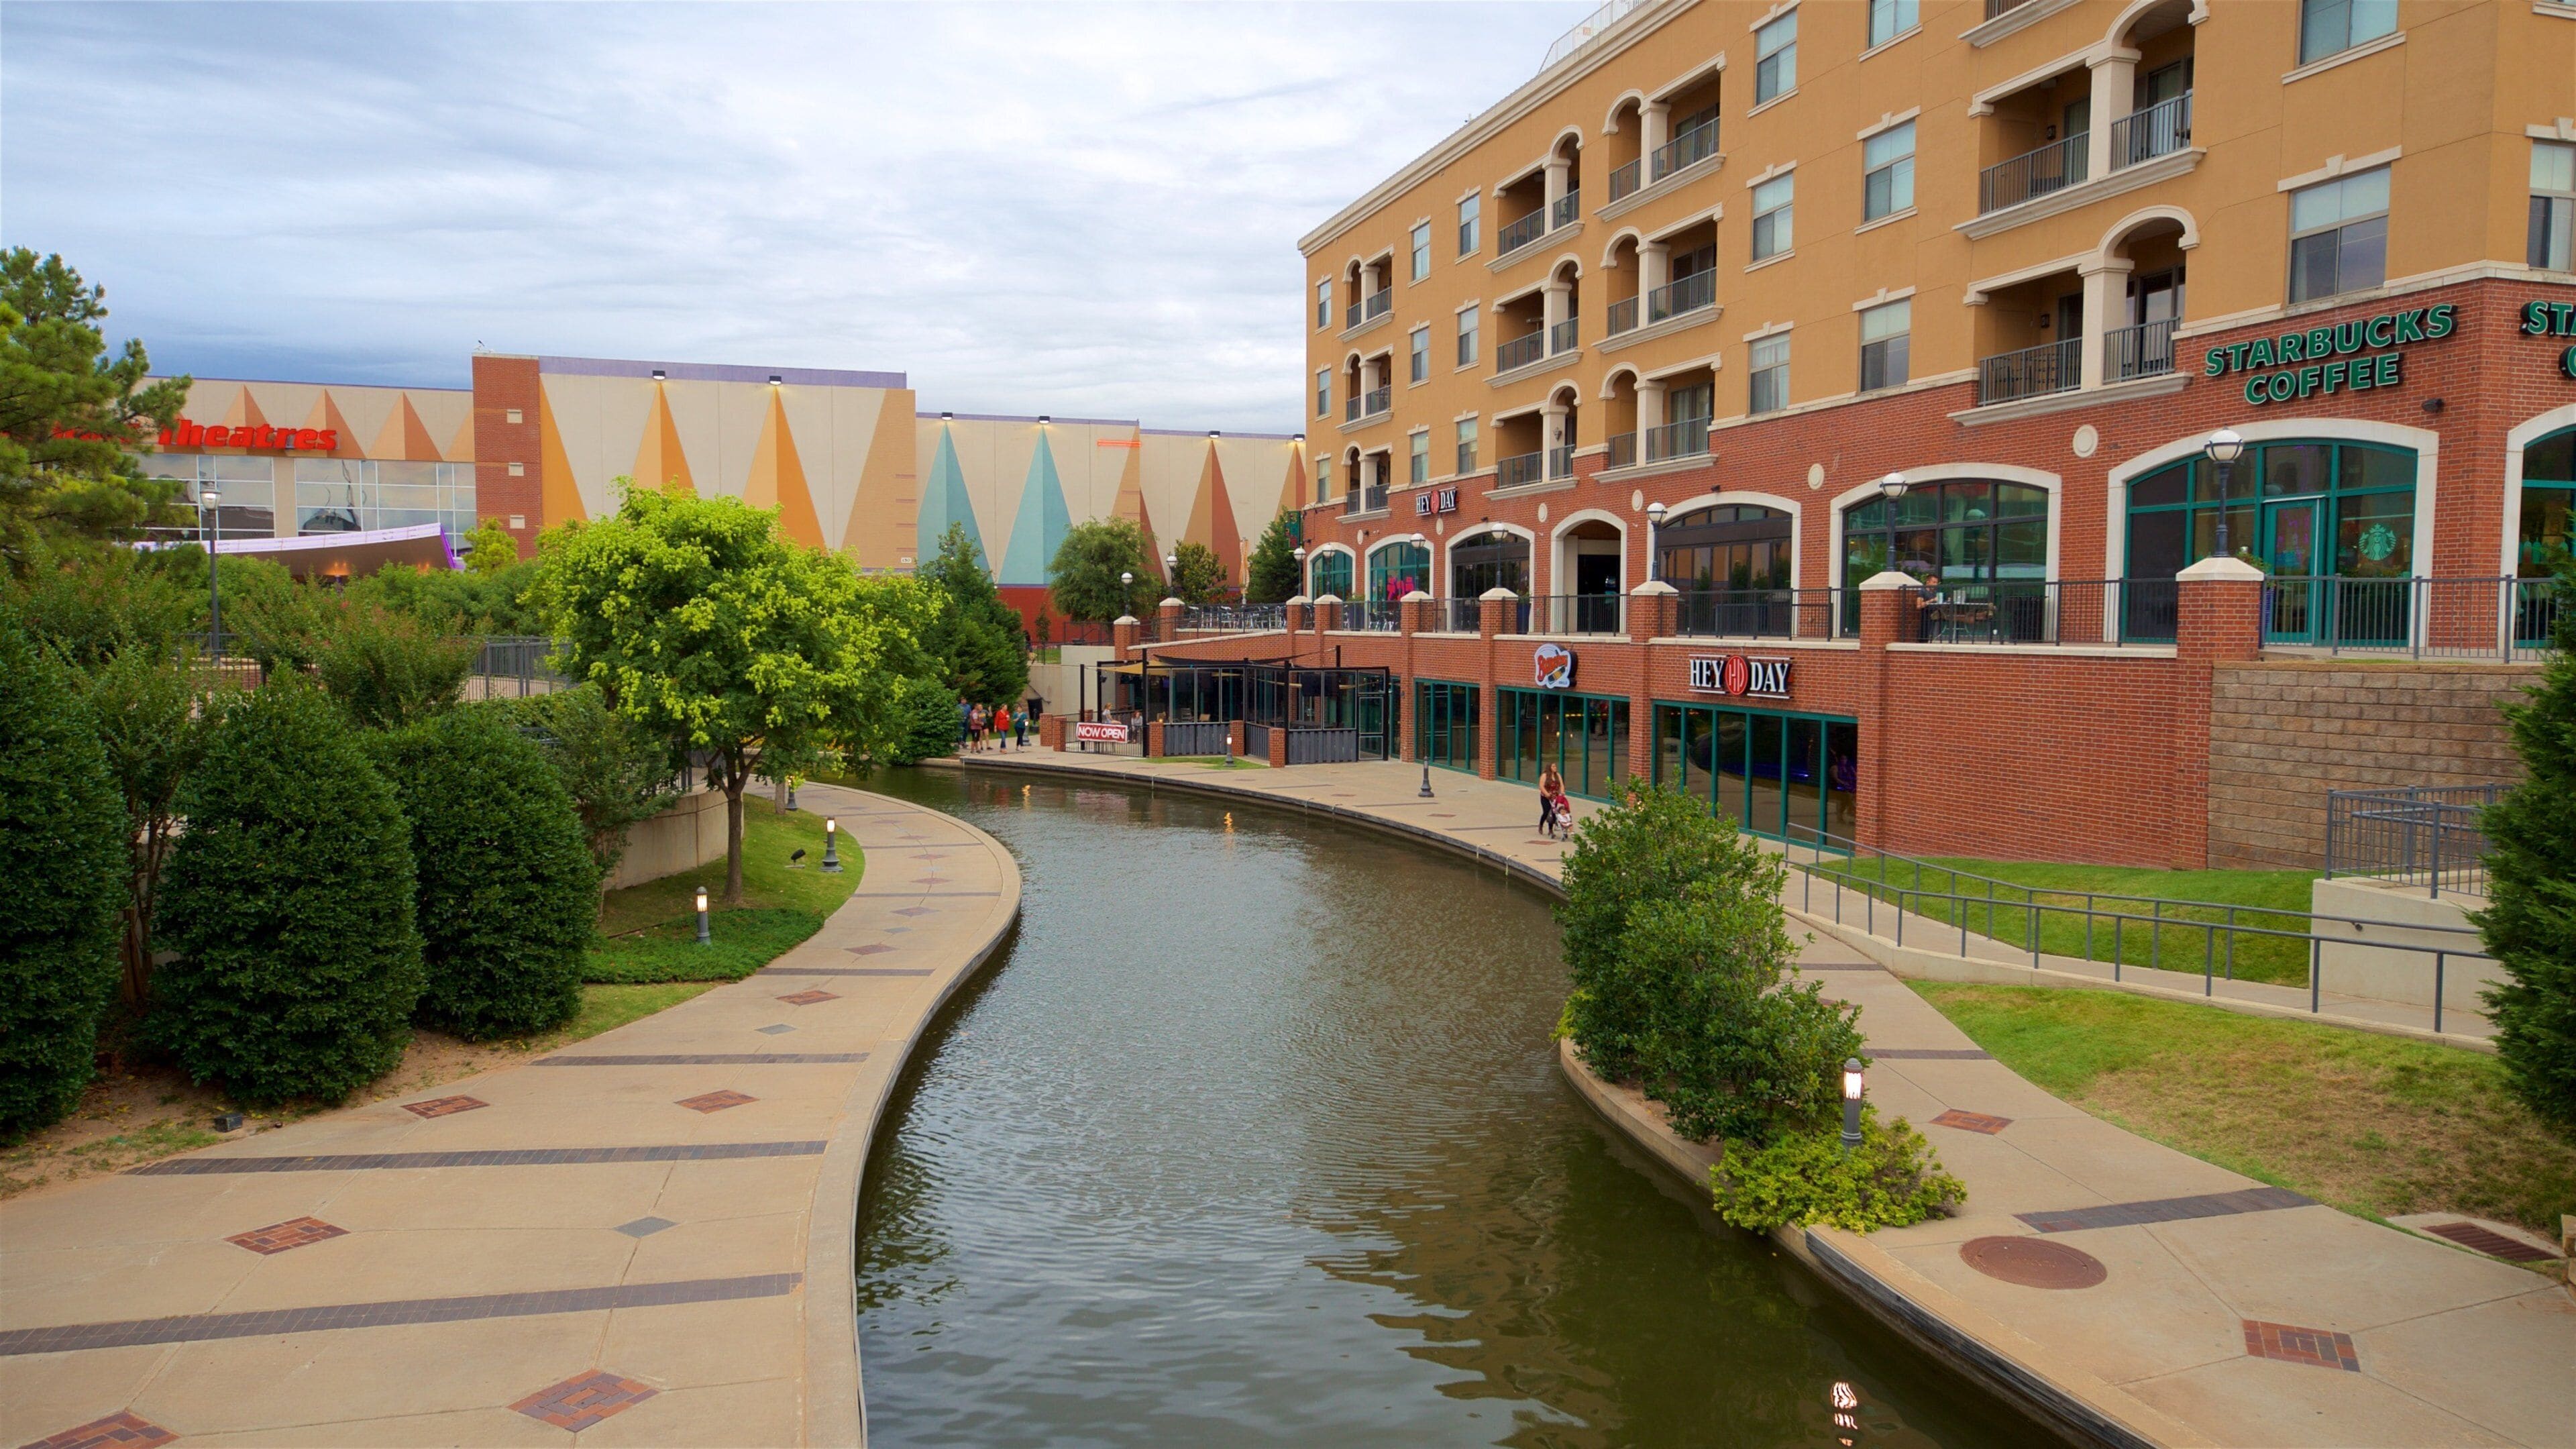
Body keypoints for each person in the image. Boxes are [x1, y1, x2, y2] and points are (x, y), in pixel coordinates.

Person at [1536, 763, 1564, 834]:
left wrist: (1562, 792)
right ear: (1550, 768)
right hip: (1545, 796)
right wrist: (1547, 794)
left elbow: (1561, 785)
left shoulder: (1558, 775)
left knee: (1553, 812)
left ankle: (1550, 830)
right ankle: (1541, 825)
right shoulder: (1545, 775)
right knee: (1546, 811)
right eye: (1553, 766)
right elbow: (1541, 786)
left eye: (1555, 766)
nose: (1555, 768)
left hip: (1555, 797)